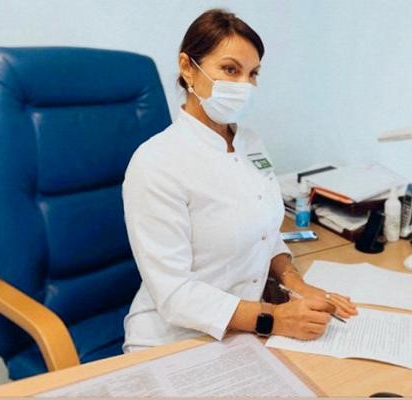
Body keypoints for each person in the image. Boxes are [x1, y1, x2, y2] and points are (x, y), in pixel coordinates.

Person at [122, 9, 357, 352]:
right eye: (230, 70)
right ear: (188, 67)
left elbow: (265, 234)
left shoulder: (251, 143)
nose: (244, 85)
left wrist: (295, 282)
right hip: (173, 341)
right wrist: (275, 318)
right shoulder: (156, 162)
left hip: (244, 332)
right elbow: (174, 295)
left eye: (253, 74)